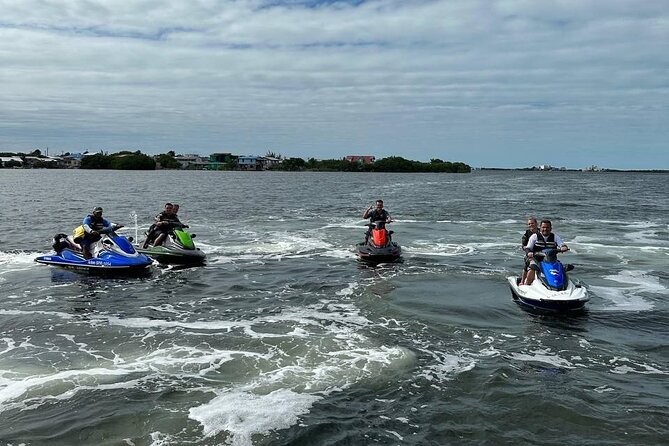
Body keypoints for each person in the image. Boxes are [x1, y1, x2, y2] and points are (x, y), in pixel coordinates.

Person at [523, 219, 569, 286]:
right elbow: (528, 248)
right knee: (532, 268)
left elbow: (562, 244)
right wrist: (529, 252)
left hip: (551, 260)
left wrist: (563, 248)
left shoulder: (555, 237)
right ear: (540, 228)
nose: (545, 229)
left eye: (547, 227)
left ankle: (561, 284)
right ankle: (527, 284)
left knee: (561, 267)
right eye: (543, 227)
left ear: (551, 228)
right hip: (537, 259)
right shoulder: (534, 236)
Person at [520, 217, 539, 284]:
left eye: (532, 223)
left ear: (536, 224)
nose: (531, 225)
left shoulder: (541, 232)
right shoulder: (526, 234)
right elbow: (523, 246)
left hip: (541, 253)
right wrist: (527, 249)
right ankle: (522, 281)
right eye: (529, 224)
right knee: (529, 263)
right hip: (530, 253)